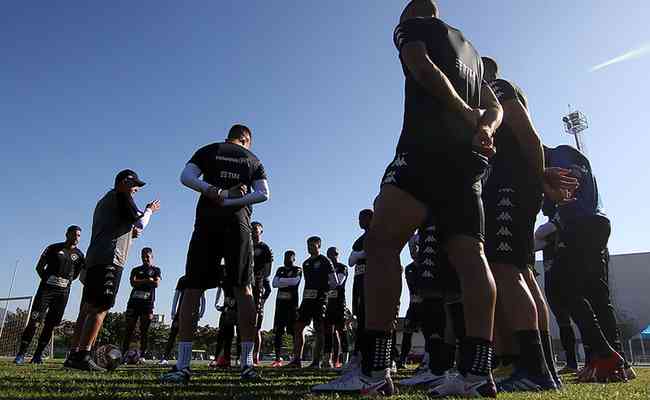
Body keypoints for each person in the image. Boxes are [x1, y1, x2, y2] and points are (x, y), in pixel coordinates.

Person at [314, 0, 503, 395]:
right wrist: (485, 126)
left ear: (411, 13)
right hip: (466, 162)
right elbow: (495, 106)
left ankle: (375, 370)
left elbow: (421, 67)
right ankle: (475, 374)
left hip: (423, 152)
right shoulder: (470, 49)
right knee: (472, 258)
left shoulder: (413, 27)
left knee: (381, 245)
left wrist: (467, 113)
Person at [480, 56, 579, 391]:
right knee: (520, 271)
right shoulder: (492, 98)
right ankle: (542, 367)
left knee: (505, 268)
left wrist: (537, 180)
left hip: (510, 189)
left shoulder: (497, 89)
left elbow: (529, 136)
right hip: (511, 187)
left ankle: (534, 370)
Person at [161, 124, 269, 384]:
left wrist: (214, 192)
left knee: (193, 289)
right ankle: (246, 366)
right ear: (246, 140)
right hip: (238, 224)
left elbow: (186, 177)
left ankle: (183, 367)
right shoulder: (253, 159)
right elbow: (263, 195)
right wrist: (230, 200)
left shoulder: (209, 150)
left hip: (207, 221)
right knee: (244, 290)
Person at [544, 144, 628, 383]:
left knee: (564, 288)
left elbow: (562, 195)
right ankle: (614, 360)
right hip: (593, 223)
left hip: (583, 224)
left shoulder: (559, 155)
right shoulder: (565, 156)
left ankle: (604, 355)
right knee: (597, 295)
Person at [65, 170, 160, 371]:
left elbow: (120, 228)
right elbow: (140, 221)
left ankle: (73, 355)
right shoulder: (121, 195)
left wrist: (129, 235)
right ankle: (84, 354)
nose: (135, 191)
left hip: (95, 259)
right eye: (134, 186)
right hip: (110, 259)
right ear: (124, 182)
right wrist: (150, 210)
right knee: (101, 306)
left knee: (87, 307)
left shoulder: (104, 200)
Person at [15, 226, 85, 365]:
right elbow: (39, 267)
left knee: (50, 325)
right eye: (74, 234)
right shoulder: (53, 248)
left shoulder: (79, 255)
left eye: (79, 235)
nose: (77, 237)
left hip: (62, 293)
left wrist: (64, 282)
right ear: (67, 234)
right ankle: (21, 354)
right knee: (34, 322)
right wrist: (47, 280)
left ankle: (37, 356)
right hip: (46, 291)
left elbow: (76, 274)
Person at [287, 236, 338, 368]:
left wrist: (324, 292)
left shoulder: (325, 261)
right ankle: (296, 360)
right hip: (307, 300)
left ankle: (316, 362)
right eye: (308, 245)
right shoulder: (306, 263)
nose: (310, 248)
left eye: (313, 245)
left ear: (319, 246)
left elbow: (335, 282)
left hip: (320, 299)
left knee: (319, 328)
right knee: (298, 327)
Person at [120, 248, 162, 362]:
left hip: (147, 304)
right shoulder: (135, 270)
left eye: (147, 256)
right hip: (133, 302)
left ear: (152, 257)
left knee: (144, 330)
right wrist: (147, 280)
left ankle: (142, 355)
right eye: (143, 256)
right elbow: (133, 283)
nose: (145, 259)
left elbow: (156, 283)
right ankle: (124, 354)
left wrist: (145, 281)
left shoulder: (156, 270)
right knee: (129, 328)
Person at [161, 276, 206, 364]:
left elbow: (203, 297)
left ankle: (185, 358)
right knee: (173, 334)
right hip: (180, 312)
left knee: (189, 335)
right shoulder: (183, 279)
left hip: (194, 312)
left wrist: (202, 311)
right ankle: (165, 357)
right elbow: (176, 295)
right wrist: (173, 311)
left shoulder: (200, 280)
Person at [271, 250, 302, 367]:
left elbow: (295, 282)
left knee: (293, 332)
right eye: (285, 256)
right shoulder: (280, 269)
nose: (287, 259)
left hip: (292, 306)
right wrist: (284, 282)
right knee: (278, 332)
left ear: (294, 258)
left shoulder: (297, 269)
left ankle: (295, 357)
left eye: (289, 257)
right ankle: (277, 359)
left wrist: (281, 281)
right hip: (280, 306)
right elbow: (274, 283)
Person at [251, 221, 273, 365]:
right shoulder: (245, 245)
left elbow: (268, 272)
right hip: (245, 284)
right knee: (243, 322)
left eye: (256, 230)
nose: (253, 232)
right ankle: (243, 354)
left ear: (261, 232)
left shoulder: (265, 248)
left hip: (259, 285)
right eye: (251, 229)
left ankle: (255, 356)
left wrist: (259, 280)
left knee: (255, 325)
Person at [324, 247, 349, 368]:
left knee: (341, 331)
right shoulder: (326, 269)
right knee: (329, 332)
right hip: (328, 304)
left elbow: (337, 282)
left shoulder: (342, 267)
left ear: (337, 255)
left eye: (334, 254)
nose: (331, 257)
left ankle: (345, 360)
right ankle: (327, 359)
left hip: (339, 304)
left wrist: (326, 282)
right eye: (329, 255)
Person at [211, 286, 239, 368]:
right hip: (227, 308)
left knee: (237, 334)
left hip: (237, 307)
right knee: (222, 334)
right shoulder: (225, 279)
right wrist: (217, 302)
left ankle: (237, 358)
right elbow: (220, 288)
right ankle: (220, 358)